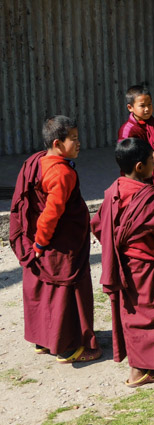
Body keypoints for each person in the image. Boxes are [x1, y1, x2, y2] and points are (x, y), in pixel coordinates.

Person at [91, 137, 154, 390]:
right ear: (140, 166)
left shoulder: (112, 192)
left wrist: (118, 251)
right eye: (151, 161)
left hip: (124, 267)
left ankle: (137, 371)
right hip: (151, 267)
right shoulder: (152, 198)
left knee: (133, 315)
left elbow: (98, 226)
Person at [9, 116, 100, 363]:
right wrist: (40, 243)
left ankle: (43, 339)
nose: (79, 143)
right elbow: (51, 213)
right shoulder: (61, 173)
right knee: (64, 291)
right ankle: (67, 347)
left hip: (43, 240)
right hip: (58, 243)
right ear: (58, 143)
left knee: (41, 287)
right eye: (74, 139)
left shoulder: (37, 161)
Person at [119, 83, 154, 200]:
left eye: (149, 104)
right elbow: (125, 157)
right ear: (130, 108)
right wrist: (148, 158)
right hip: (141, 180)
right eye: (142, 106)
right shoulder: (128, 130)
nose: (147, 109)